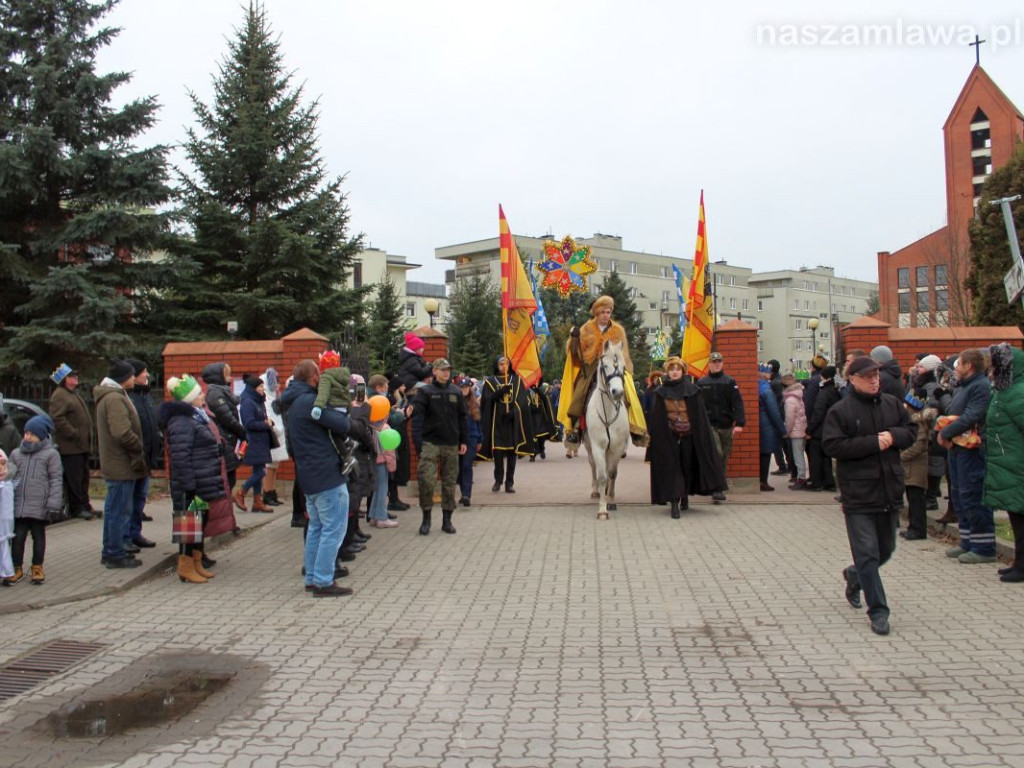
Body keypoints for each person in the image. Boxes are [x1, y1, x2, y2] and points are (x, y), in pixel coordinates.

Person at [823, 355, 915, 636]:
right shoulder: (841, 410)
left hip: (889, 489)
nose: (874, 380)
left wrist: (892, 437)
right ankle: (878, 611)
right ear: (852, 379)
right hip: (859, 493)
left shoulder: (891, 404)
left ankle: (854, 576)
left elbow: (910, 431)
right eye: (867, 376)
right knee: (867, 554)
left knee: (885, 549)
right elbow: (832, 445)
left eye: (876, 375)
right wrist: (872, 443)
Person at [282, 359, 354, 597]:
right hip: (325, 474)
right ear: (315, 377)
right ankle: (323, 581)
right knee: (333, 528)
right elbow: (342, 424)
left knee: (316, 527)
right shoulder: (311, 401)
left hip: (308, 474)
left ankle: (313, 578)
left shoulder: (293, 402)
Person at [159, 375, 224, 584]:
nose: (202, 395)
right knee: (188, 525)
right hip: (189, 482)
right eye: (198, 394)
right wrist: (188, 483)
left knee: (199, 520)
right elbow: (180, 454)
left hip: (200, 480)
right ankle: (185, 566)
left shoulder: (195, 417)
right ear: (188, 399)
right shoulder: (181, 421)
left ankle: (196, 561)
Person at [561, 295, 648, 446]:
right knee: (579, 392)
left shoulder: (618, 330)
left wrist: (622, 367)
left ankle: (635, 429)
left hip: (613, 367)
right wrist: (574, 339)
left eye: (608, 312)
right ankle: (575, 429)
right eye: (602, 312)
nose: (605, 315)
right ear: (596, 313)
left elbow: (624, 354)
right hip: (591, 369)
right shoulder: (585, 329)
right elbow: (576, 356)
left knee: (628, 392)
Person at [648, 356, 724, 518]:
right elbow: (657, 417)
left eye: (678, 369)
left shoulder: (692, 390)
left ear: (683, 371)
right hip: (669, 436)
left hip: (689, 435)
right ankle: (674, 502)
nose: (675, 372)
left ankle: (684, 496)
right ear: (667, 372)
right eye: (671, 369)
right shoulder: (660, 392)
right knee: (672, 468)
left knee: (687, 467)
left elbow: (699, 416)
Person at [939, 348, 996, 564]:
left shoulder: (980, 386)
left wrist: (946, 432)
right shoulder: (964, 386)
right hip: (958, 447)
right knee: (960, 494)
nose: (955, 369)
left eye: (958, 364)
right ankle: (967, 541)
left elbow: (973, 414)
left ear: (969, 366)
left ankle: (984, 547)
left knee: (972, 493)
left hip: (972, 449)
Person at [94, 359, 146, 569]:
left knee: (115, 509)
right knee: (118, 510)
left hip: (118, 463)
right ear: (123, 378)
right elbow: (121, 432)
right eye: (132, 374)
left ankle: (111, 550)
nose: (135, 378)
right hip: (121, 464)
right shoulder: (114, 398)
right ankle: (114, 553)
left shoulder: (113, 396)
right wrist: (138, 446)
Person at [410, 358, 468, 535]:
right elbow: (417, 418)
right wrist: (419, 443)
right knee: (426, 480)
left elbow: (462, 418)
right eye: (442, 370)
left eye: (448, 370)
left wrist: (463, 440)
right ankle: (426, 518)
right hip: (430, 442)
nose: (445, 373)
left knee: (449, 483)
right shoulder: (425, 392)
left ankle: (447, 520)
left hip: (451, 443)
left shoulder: (456, 392)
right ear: (434, 371)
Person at [984, 343, 1024, 582]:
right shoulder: (1006, 391)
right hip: (1008, 464)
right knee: (1017, 518)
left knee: (1021, 518)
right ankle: (1019, 562)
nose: (992, 370)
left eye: (997, 366)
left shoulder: (1017, 393)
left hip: (1017, 466)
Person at [6, 416, 62, 585]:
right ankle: (16, 567)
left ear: (42, 435)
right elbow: (8, 475)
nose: (27, 437)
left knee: (39, 537)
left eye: (32, 434)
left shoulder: (51, 455)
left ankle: (37, 567)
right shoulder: (16, 454)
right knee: (18, 538)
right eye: (26, 433)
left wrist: (53, 504)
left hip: (40, 506)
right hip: (20, 505)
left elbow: (56, 480)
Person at [480, 356, 534, 493]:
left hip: (512, 423)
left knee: (511, 454)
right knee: (498, 454)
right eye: (501, 363)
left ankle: (509, 482)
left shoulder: (516, 380)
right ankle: (498, 480)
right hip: (497, 423)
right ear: (496, 365)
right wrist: (499, 393)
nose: (504, 366)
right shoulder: (490, 382)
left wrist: (514, 412)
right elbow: (486, 401)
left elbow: (522, 401)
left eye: (506, 363)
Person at [48, 363, 95, 520]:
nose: (75, 378)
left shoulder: (73, 394)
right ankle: (77, 508)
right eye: (71, 376)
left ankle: (85, 505)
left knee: (83, 478)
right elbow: (57, 418)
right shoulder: (60, 395)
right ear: (64, 379)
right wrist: (73, 433)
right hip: (71, 447)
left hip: (80, 446)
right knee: (74, 479)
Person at [697, 351, 745, 501]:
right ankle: (716, 488)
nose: (716, 364)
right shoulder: (701, 383)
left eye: (718, 362)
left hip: (726, 425)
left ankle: (719, 485)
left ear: (722, 363)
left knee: (724, 455)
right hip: (709, 425)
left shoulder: (730, 381)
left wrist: (740, 423)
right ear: (709, 364)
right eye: (713, 362)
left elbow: (737, 403)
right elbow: (697, 405)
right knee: (717, 453)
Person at [125, 359, 160, 548]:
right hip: (135, 457)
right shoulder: (129, 397)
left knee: (139, 498)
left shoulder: (145, 395)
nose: (147, 375)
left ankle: (135, 533)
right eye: (143, 372)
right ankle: (126, 536)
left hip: (146, 456)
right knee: (130, 500)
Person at [201, 362, 247, 504]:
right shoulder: (215, 393)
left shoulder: (223, 392)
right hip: (224, 440)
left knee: (228, 480)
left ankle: (221, 520)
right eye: (226, 374)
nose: (230, 377)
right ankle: (209, 522)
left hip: (228, 440)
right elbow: (227, 418)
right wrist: (243, 433)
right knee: (225, 480)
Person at [900, 393, 937, 541]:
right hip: (910, 468)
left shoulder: (918, 423)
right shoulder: (911, 421)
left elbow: (919, 446)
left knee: (916, 500)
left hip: (915, 467)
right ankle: (912, 526)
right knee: (912, 497)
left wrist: (902, 456)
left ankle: (919, 529)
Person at [234, 375, 273, 513]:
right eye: (261, 387)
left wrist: (268, 422)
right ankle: (241, 492)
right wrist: (264, 424)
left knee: (258, 470)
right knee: (261, 471)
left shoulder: (258, 401)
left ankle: (258, 502)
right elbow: (248, 423)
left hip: (261, 441)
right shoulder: (248, 402)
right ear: (253, 388)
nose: (263, 389)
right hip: (254, 441)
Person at [805, 365, 840, 492]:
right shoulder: (836, 391)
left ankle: (816, 482)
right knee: (826, 458)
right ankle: (829, 482)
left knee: (816, 456)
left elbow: (818, 412)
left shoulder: (824, 393)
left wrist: (809, 430)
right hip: (831, 429)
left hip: (819, 430)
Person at [261, 367, 288, 507]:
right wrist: (277, 428)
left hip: (277, 436)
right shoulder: (266, 398)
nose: (278, 384)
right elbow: (269, 416)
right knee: (269, 467)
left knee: (274, 466)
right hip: (271, 436)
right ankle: (267, 493)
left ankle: (272, 492)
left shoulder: (274, 396)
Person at [757, 364, 787, 491]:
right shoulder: (766, 390)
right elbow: (774, 412)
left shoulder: (756, 387)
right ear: (765, 374)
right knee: (766, 452)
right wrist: (782, 429)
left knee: (761, 452)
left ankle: (761, 480)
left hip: (759, 422)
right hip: (766, 424)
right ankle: (763, 481)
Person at [457, 377, 483, 507]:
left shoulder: (474, 404)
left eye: (466, 387)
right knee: (459, 467)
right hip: (457, 439)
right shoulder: (454, 404)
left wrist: (480, 440)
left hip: (472, 438)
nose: (464, 390)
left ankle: (466, 495)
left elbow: (479, 424)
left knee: (467, 466)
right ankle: (463, 493)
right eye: (462, 387)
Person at [781, 373, 808, 489]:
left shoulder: (790, 400)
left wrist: (786, 431)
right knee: (800, 454)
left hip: (795, 431)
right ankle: (801, 477)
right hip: (801, 428)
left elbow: (790, 418)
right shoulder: (799, 395)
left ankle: (801, 478)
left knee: (798, 456)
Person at [767, 359, 791, 476]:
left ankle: (782, 466)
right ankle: (790, 465)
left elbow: (775, 401)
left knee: (777, 442)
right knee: (785, 442)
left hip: (778, 415)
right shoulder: (779, 380)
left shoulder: (773, 384)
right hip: (783, 414)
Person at [311, 349, 351, 418]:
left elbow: (323, 392)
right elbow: (347, 394)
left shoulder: (325, 377)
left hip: (332, 409)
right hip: (343, 410)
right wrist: (349, 410)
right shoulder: (343, 377)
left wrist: (318, 406)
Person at [529, 383, 557, 462]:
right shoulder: (526, 391)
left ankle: (542, 449)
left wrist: (538, 392)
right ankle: (533, 454)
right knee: (532, 437)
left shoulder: (541, 389)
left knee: (541, 436)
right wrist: (531, 407)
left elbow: (545, 399)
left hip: (541, 416)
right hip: (531, 417)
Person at [0, 450, 14, 584]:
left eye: (3, 465)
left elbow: (7, 509)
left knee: (3, 547)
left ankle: (7, 572)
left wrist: (7, 526)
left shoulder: (5, 486)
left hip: (2, 524)